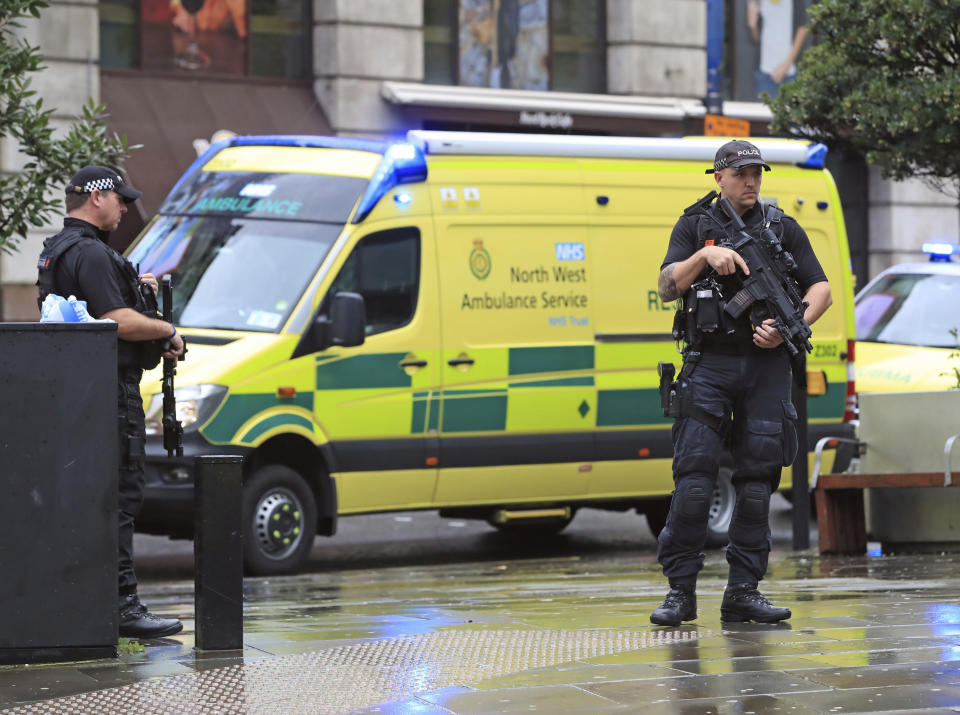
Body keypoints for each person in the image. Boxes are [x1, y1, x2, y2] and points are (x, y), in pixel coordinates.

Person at [652, 140, 832, 625]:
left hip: (765, 366)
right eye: (741, 173)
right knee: (693, 483)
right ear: (719, 177)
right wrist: (706, 258)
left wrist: (794, 322)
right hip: (708, 365)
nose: (751, 181)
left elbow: (822, 287)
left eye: (757, 173)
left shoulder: (782, 227)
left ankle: (743, 592)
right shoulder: (695, 224)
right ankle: (680, 594)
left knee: (756, 486)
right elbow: (667, 285)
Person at [36, 166, 185, 639]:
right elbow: (117, 322)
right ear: (97, 197)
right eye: (120, 198)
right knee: (120, 497)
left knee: (88, 500)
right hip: (110, 394)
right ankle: (122, 606)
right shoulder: (92, 254)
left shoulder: (57, 252)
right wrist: (167, 329)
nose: (125, 207)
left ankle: (84, 602)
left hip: (76, 393)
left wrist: (139, 291)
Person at [747, 0, 809, 99]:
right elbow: (756, 39)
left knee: (791, 112)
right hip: (764, 73)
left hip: (790, 73)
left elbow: (802, 29)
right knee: (764, 113)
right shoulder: (758, 1)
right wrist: (753, 26)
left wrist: (786, 65)